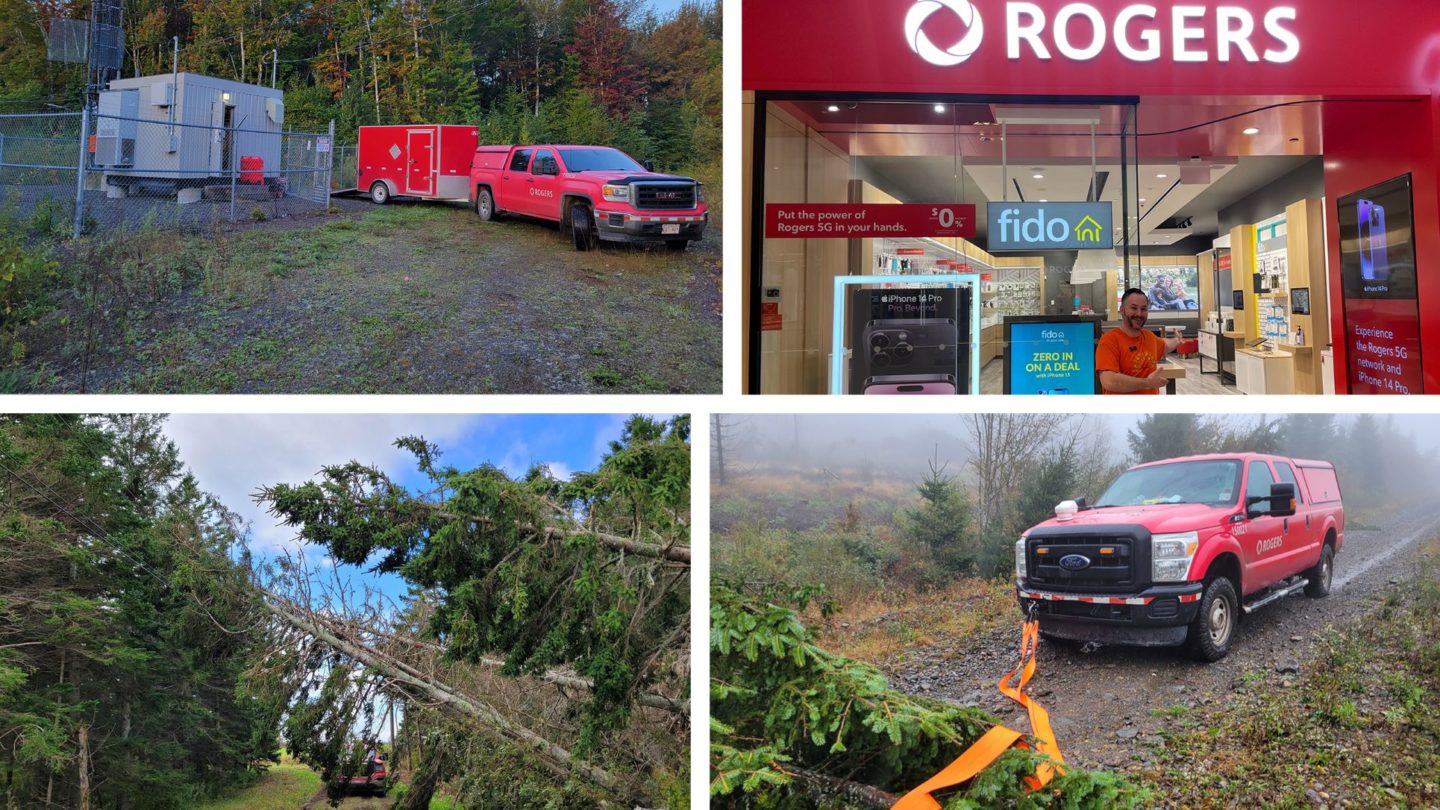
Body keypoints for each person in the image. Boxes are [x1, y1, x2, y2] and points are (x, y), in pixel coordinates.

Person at [1097, 288, 1181, 394]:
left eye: (1143, 309)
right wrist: (1147, 383)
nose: (1139, 314)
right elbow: (1109, 381)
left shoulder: (1150, 337)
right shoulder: (1109, 340)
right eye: (1134, 308)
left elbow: (1166, 345)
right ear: (1122, 310)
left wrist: (1177, 340)